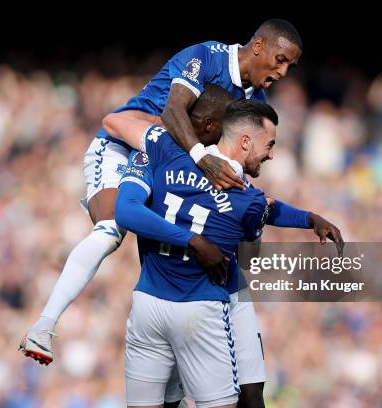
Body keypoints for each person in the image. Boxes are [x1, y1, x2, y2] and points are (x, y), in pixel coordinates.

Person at [20, 20, 304, 365]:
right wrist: (204, 159)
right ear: (258, 46)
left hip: (174, 163)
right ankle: (43, 326)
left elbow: (238, 159)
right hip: (126, 145)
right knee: (111, 231)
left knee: (195, 251)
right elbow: (173, 111)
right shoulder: (206, 57)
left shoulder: (255, 100)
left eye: (290, 65)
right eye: (280, 59)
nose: (284, 71)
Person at [111, 95, 343, 407]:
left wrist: (307, 218)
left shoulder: (161, 146)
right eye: (269, 145)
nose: (271, 155)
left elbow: (114, 125)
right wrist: (196, 241)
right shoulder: (247, 200)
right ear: (245, 142)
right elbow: (258, 224)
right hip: (201, 307)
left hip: (147, 302)